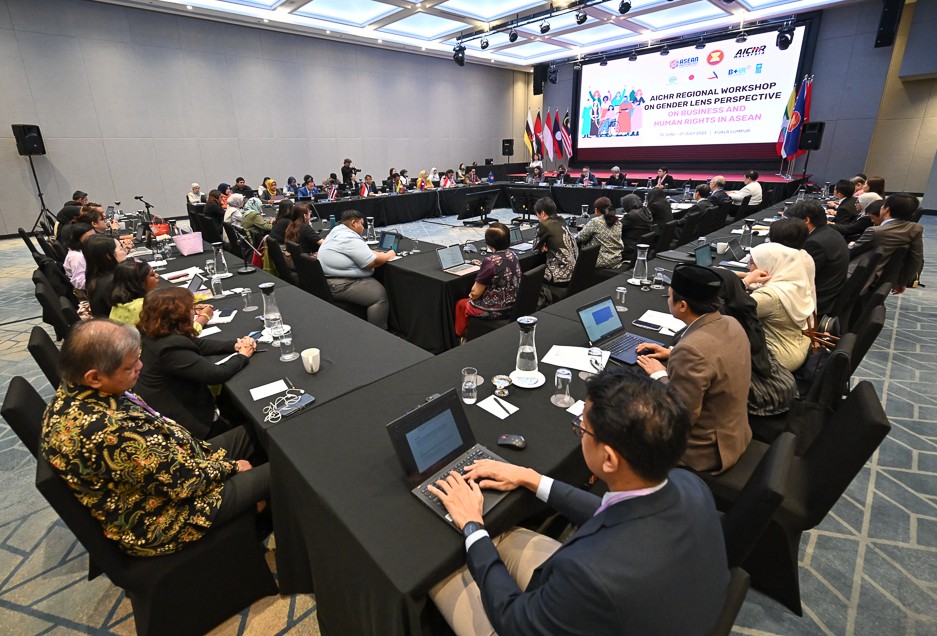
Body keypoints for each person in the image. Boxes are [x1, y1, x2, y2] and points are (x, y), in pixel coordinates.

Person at [428, 371, 729, 636]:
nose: (579, 433)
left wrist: (473, 526)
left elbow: (514, 622)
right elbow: (612, 513)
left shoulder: (588, 573)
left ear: (609, 459)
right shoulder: (690, 486)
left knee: (441, 575)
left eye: (582, 428)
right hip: (664, 607)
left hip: (541, 618)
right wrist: (530, 478)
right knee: (502, 537)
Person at [40, 319, 269, 557]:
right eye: (129, 367)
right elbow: (182, 482)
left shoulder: (76, 391)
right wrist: (232, 467)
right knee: (282, 469)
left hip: (175, 464)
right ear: (94, 377)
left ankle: (262, 515)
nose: (140, 366)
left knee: (257, 432)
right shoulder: (108, 430)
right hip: (164, 515)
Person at [637, 264, 751, 473]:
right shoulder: (731, 322)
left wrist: (659, 374)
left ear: (682, 306)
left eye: (669, 296)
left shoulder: (691, 350)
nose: (667, 299)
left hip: (703, 450)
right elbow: (715, 357)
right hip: (735, 435)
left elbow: (679, 414)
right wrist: (672, 353)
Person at [135, 287, 254, 439]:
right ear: (177, 314)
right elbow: (215, 374)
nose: (194, 313)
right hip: (191, 424)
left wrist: (234, 345)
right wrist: (242, 356)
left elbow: (196, 343)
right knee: (252, 432)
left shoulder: (153, 333)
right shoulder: (168, 347)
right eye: (191, 308)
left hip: (173, 408)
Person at [743, 243, 816, 372]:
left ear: (767, 265)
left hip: (778, 359)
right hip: (799, 347)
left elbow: (733, 307)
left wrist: (746, 282)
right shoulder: (793, 284)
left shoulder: (768, 297)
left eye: (752, 262)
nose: (750, 267)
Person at [317, 210, 395, 328]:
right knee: (379, 296)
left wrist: (377, 253)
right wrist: (389, 255)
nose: (363, 228)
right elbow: (371, 263)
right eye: (361, 224)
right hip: (340, 284)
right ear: (353, 223)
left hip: (327, 279)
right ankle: (378, 333)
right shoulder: (348, 237)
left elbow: (361, 252)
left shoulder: (337, 231)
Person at [453, 223, 522, 339]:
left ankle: (462, 337)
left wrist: (472, 295)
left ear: (489, 243)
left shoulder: (490, 261)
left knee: (461, 304)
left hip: (495, 310)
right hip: (514, 305)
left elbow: (476, 293)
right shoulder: (513, 255)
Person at [849, 192, 924, 294]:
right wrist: (902, 282)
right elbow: (916, 258)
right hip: (883, 279)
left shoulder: (875, 231)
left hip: (858, 278)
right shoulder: (915, 229)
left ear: (886, 209)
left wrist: (850, 245)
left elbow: (852, 252)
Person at [784, 200, 849, 316]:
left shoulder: (815, 243)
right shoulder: (829, 232)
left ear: (806, 220)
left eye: (791, 221)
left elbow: (795, 276)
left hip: (819, 301)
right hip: (830, 291)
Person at [534, 197, 578, 305]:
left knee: (531, 276)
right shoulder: (562, 221)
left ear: (542, 213)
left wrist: (544, 246)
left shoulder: (544, 225)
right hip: (574, 274)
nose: (538, 218)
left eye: (537, 215)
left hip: (560, 277)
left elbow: (535, 248)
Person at [84, 233, 128, 317]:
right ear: (109, 256)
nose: (125, 251)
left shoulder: (96, 276)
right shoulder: (113, 283)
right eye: (121, 248)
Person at [108, 259, 161, 326]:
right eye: (152, 274)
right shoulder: (146, 306)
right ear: (141, 282)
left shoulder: (117, 304)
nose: (157, 275)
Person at [577, 196, 623, 270]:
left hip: (600, 260)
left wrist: (581, 230)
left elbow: (581, 238)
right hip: (616, 259)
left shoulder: (595, 222)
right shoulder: (618, 222)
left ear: (596, 210)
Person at [619, 193, 654, 264]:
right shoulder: (646, 210)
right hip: (641, 244)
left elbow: (617, 227)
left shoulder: (631, 215)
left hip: (630, 247)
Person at [63, 222, 95, 291]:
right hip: (89, 291)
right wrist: (101, 283)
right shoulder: (77, 257)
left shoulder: (83, 249)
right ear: (77, 239)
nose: (94, 240)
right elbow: (79, 282)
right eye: (90, 237)